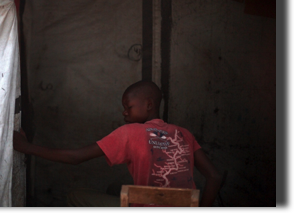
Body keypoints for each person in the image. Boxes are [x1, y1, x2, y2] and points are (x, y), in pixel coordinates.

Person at [13, 81, 222, 207]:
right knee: (114, 188)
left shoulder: (130, 133)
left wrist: (26, 147)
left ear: (148, 105)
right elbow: (214, 175)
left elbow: (75, 157)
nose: (124, 112)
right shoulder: (184, 133)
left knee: (75, 197)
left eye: (128, 106)